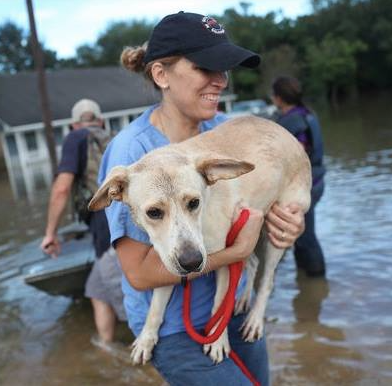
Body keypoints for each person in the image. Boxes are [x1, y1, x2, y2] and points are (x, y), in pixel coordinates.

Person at [98, 12, 306, 386]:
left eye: (224, 69)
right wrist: (235, 252)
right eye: (204, 68)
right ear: (161, 75)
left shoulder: (227, 129)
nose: (220, 81)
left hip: (235, 307)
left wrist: (290, 223)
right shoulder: (130, 153)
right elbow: (140, 273)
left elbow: (270, 189)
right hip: (176, 331)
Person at [40, 98, 126, 347]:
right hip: (125, 220)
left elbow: (61, 188)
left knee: (129, 298)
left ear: (73, 125)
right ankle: (106, 347)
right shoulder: (115, 136)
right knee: (96, 290)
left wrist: (50, 233)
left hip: (107, 226)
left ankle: (154, 359)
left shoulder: (74, 138)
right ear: (100, 120)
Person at [271, 76, 326, 277]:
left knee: (304, 235)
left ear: (278, 98)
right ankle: (307, 283)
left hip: (306, 186)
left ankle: (315, 277)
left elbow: (298, 154)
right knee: (301, 233)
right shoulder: (308, 114)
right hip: (317, 181)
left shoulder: (292, 121)